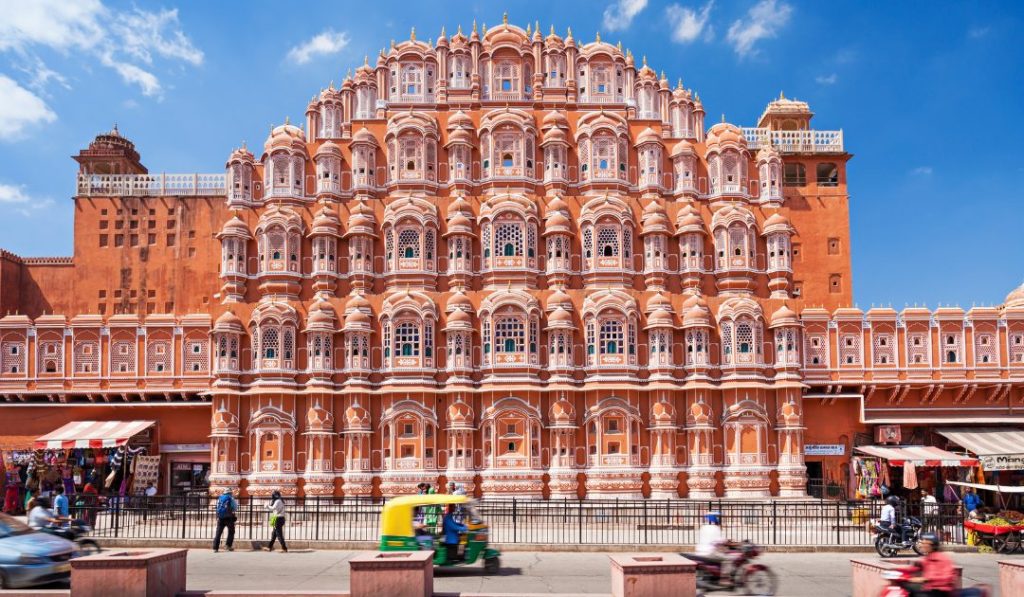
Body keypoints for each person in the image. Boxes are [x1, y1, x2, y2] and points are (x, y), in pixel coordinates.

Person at [906, 532, 956, 597]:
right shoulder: (927, 558)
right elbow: (914, 568)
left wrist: (926, 579)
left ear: (932, 545)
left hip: (941, 592)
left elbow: (948, 578)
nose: (921, 545)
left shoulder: (942, 558)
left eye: (924, 543)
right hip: (929, 590)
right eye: (921, 543)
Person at [213, 488, 237, 553]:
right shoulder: (231, 498)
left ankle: (215, 548)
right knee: (231, 531)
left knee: (218, 533)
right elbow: (235, 508)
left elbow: (217, 506)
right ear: (230, 493)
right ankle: (228, 545)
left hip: (220, 517)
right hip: (229, 518)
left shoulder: (220, 498)